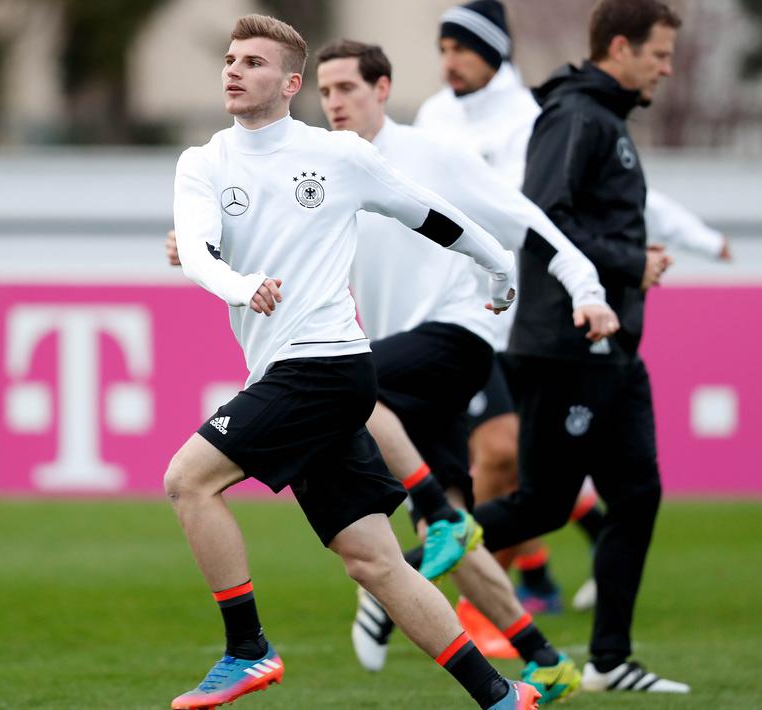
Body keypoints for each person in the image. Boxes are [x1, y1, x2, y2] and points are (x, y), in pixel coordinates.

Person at [166, 14, 539, 710]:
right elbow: (195, 249)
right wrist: (241, 283)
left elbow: (432, 214)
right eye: (229, 59)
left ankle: (247, 648)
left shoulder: (338, 155)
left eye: (252, 61)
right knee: (374, 560)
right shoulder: (205, 162)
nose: (233, 70)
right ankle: (499, 696)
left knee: (187, 480)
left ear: (288, 82)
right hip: (292, 373)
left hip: (325, 365)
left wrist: (496, 269)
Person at [313, 39, 618, 703]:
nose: (334, 101)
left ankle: (424, 533)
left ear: (383, 88)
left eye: (347, 88)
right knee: (454, 529)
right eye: (325, 90)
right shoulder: (326, 170)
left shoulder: (433, 156)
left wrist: (585, 288)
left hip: (456, 336)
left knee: (342, 383)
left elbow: (526, 219)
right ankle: (543, 659)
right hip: (403, 369)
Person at [415, 0, 730, 617]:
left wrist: (694, 241)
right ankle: (449, 581)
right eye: (444, 49)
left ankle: (514, 615)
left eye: (463, 48)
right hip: (469, 315)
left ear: (495, 51)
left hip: (533, 320)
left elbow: (590, 210)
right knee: (529, 478)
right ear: (620, 50)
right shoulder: (440, 118)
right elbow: (539, 214)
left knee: (538, 471)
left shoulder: (536, 114)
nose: (449, 62)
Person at [469, 0, 690, 694]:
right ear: (618, 48)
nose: (666, 66)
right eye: (657, 53)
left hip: (611, 346)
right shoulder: (575, 117)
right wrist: (629, 261)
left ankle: (608, 661)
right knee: (539, 504)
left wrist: (628, 260)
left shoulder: (602, 117)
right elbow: (539, 221)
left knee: (636, 493)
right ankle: (394, 560)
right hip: (566, 345)